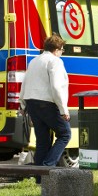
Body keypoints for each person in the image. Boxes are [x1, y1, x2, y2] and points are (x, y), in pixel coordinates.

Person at [20, 34, 71, 169]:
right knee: (65, 134)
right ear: (57, 49)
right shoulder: (55, 61)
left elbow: (25, 83)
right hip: (47, 103)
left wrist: (22, 104)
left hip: (31, 103)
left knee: (42, 141)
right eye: (62, 50)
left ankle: (39, 176)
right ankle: (48, 166)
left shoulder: (34, 61)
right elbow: (56, 87)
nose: (62, 53)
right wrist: (63, 110)